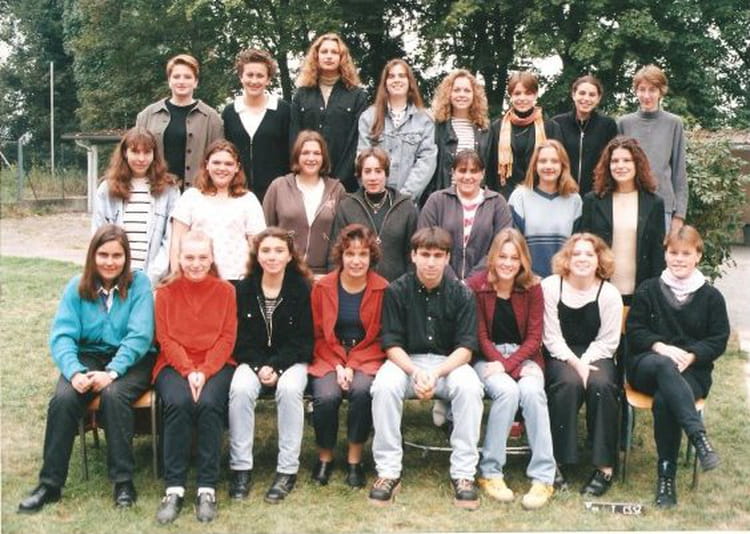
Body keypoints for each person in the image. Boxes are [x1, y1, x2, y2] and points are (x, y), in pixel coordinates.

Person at [18, 225, 154, 513]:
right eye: (103, 255)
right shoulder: (76, 287)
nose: (110, 262)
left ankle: (123, 482)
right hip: (89, 356)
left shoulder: (140, 284)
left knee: (114, 395)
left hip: (133, 359)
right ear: (93, 255)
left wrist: (112, 372)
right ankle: (50, 484)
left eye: (117, 255)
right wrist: (74, 372)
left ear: (126, 257)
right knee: (64, 399)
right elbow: (62, 336)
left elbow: (140, 336)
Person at [368, 227, 484, 510]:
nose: (431, 262)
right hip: (406, 362)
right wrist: (416, 372)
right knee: (383, 386)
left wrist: (436, 373)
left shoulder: (462, 293)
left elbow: (466, 347)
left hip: (449, 364)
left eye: (437, 255)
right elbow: (391, 344)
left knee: (470, 388)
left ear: (447, 258)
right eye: (425, 254)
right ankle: (388, 472)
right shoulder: (397, 290)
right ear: (413, 256)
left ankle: (464, 474)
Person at [626, 225, 729, 508]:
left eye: (686, 253)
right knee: (663, 365)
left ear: (698, 255)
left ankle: (666, 477)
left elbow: (718, 339)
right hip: (647, 365)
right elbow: (635, 331)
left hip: (691, 372)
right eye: (673, 253)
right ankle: (698, 436)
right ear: (665, 254)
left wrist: (693, 355)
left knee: (665, 400)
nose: (679, 259)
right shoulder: (648, 289)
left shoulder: (711, 297)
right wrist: (661, 347)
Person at [466, 228, 555, 510]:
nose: (507, 263)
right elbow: (480, 335)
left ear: (523, 261)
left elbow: (534, 337)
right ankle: (491, 472)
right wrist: (502, 367)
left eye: (514, 258)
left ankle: (543, 477)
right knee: (506, 391)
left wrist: (509, 365)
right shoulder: (477, 285)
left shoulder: (533, 287)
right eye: (502, 256)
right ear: (493, 257)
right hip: (487, 357)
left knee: (532, 392)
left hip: (523, 356)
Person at [152, 230, 237, 524]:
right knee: (178, 402)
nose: (196, 263)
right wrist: (189, 371)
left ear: (211, 258)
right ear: (179, 258)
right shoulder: (165, 292)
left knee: (210, 403)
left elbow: (227, 338)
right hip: (174, 364)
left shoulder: (226, 291)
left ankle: (206, 488)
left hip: (216, 363)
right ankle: (174, 488)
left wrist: (206, 371)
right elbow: (165, 338)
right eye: (189, 257)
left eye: (202, 257)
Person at [228, 227, 313, 504]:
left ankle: (287, 470)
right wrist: (258, 366)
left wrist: (276, 367)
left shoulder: (302, 289)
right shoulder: (243, 289)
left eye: (279, 250)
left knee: (289, 390)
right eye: (265, 250)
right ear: (257, 255)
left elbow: (303, 341)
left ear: (290, 256)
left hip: (291, 361)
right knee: (240, 389)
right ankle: (241, 468)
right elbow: (239, 339)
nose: (272, 256)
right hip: (253, 360)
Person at [542, 233, 623, 496]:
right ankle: (556, 461)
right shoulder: (551, 287)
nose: (582, 259)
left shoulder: (609, 293)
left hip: (597, 353)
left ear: (599, 259)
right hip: (560, 353)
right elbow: (551, 336)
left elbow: (609, 341)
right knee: (567, 383)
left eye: (589, 254)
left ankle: (604, 467)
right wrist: (576, 364)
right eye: (576, 253)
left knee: (602, 385)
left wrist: (585, 362)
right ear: (567, 258)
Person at [308, 224, 389, 488]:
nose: (356, 261)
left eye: (362, 254)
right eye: (350, 254)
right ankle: (325, 456)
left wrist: (352, 364)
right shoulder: (323, 287)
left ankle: (355, 458)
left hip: (367, 355)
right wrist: (337, 364)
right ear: (340, 256)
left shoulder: (382, 289)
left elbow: (381, 337)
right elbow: (317, 334)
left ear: (371, 256)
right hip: (328, 354)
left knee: (362, 391)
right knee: (326, 396)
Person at [580, 136, 665, 304]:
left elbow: (657, 254)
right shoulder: (593, 201)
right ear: (607, 165)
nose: (620, 166)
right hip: (599, 292)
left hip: (640, 294)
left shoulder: (654, 203)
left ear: (637, 164)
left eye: (627, 160)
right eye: (614, 161)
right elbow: (584, 247)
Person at [169, 139, 266, 284]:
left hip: (238, 278)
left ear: (237, 167)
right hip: (197, 277)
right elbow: (177, 242)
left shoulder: (248, 200)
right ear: (207, 165)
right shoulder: (190, 197)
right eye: (216, 163)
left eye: (228, 164)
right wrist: (177, 277)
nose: (222, 168)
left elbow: (257, 245)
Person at [92, 127, 180, 285]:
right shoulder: (107, 189)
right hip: (115, 276)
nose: (141, 158)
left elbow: (170, 238)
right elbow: (98, 235)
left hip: (153, 279)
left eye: (147, 152)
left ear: (154, 154)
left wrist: (152, 276)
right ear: (125, 152)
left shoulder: (169, 190)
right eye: (135, 152)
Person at [290, 33, 368, 192]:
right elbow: (294, 137)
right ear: (316, 56)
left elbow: (356, 141)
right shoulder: (301, 94)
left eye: (334, 52)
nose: (329, 56)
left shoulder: (356, 96)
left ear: (342, 58)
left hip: (345, 184)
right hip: (307, 181)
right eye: (324, 51)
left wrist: (339, 180)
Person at [263, 130, 345, 278]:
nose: (311, 158)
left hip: (323, 275)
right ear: (297, 156)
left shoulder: (337, 190)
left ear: (323, 157)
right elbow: (265, 230)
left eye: (317, 153)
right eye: (305, 153)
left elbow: (342, 236)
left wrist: (333, 273)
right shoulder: (279, 186)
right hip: (284, 272)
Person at [419, 149, 512, 280]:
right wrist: (453, 280)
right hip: (441, 282)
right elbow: (424, 242)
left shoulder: (497, 203)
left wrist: (472, 281)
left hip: (485, 283)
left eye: (474, 171)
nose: (468, 177)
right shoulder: (436, 201)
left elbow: (500, 246)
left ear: (482, 173)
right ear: (453, 173)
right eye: (462, 171)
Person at [617, 64, 687, 233]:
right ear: (636, 91)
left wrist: (679, 214)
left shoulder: (674, 123)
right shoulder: (624, 123)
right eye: (642, 89)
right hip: (629, 203)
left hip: (663, 206)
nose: (646, 96)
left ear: (661, 91)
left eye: (652, 90)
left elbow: (679, 171)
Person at [136, 54, 223, 190]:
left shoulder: (211, 118)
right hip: (155, 191)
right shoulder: (147, 115)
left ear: (196, 82)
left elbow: (220, 159)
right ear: (169, 81)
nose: (181, 81)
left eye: (187, 77)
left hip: (197, 192)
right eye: (176, 77)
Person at [331, 148, 418, 281]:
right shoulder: (347, 206)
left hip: (397, 286)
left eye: (378, 171)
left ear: (386, 174)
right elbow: (336, 252)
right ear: (360, 175)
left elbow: (412, 255)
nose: (373, 177)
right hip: (357, 285)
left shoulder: (406, 207)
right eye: (367, 171)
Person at [357, 59, 437, 200]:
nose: (396, 80)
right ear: (385, 83)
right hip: (374, 200)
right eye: (391, 76)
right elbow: (361, 158)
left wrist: (404, 197)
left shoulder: (424, 120)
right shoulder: (368, 117)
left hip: (409, 202)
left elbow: (426, 161)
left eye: (402, 76)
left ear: (410, 82)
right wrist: (377, 192)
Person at [222, 48, 290, 202]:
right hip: (237, 194)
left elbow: (290, 152)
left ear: (268, 79)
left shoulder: (283, 111)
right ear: (241, 77)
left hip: (277, 195)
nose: (254, 81)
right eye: (249, 75)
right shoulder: (230, 113)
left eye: (260, 76)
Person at [508, 140, 582, 277]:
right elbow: (513, 244)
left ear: (563, 165)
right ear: (535, 165)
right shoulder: (519, 196)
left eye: (554, 161)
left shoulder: (574, 200)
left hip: (563, 279)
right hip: (527, 279)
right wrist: (527, 276)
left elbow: (577, 246)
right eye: (543, 161)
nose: (548, 166)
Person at [424, 69, 493, 205]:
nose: (462, 95)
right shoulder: (437, 127)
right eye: (456, 90)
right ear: (448, 94)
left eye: (467, 91)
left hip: (475, 201)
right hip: (444, 200)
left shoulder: (485, 129)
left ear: (474, 95)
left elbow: (489, 170)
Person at [491, 71, 562, 198]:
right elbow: (491, 166)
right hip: (505, 198)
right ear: (511, 96)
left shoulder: (550, 127)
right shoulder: (497, 128)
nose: (522, 98)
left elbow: (559, 164)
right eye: (517, 93)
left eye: (528, 93)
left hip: (541, 195)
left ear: (535, 95)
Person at [552, 75, 618, 196]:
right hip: (563, 192)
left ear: (598, 98)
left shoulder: (608, 125)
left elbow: (611, 160)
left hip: (597, 194)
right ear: (573, 95)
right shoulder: (557, 123)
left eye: (592, 95)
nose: (586, 98)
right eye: (582, 93)